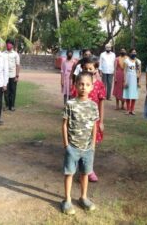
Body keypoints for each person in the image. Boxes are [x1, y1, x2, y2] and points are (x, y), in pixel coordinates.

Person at [61, 72, 99, 215]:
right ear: (76, 85)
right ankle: (67, 200)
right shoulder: (70, 104)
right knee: (69, 173)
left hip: (88, 148)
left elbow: (95, 126)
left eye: (87, 84)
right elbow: (64, 125)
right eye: (81, 84)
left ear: (91, 87)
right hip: (73, 147)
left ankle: (83, 197)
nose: (84, 87)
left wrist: (93, 145)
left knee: (85, 173)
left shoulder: (93, 106)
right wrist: (66, 145)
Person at [72, 57, 106, 182]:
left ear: (96, 69)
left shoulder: (99, 85)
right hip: (79, 120)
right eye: (85, 68)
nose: (87, 71)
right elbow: (73, 101)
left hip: (93, 122)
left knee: (91, 145)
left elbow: (101, 103)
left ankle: (89, 169)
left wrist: (101, 121)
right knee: (79, 143)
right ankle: (78, 166)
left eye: (90, 69)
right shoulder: (78, 84)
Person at [3, 39, 20, 111]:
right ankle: (7, 105)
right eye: (7, 43)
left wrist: (17, 76)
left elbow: (18, 65)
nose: (8, 45)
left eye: (10, 43)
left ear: (12, 45)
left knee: (13, 91)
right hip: (5, 76)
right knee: (6, 91)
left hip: (13, 75)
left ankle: (12, 105)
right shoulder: (3, 54)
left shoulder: (15, 54)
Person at [123, 48, 141, 115]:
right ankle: (128, 109)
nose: (134, 53)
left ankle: (132, 109)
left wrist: (138, 82)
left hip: (135, 80)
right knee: (128, 94)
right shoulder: (126, 61)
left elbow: (139, 72)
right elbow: (124, 71)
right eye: (132, 52)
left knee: (134, 95)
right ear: (129, 53)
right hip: (128, 79)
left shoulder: (138, 61)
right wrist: (124, 81)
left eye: (135, 52)